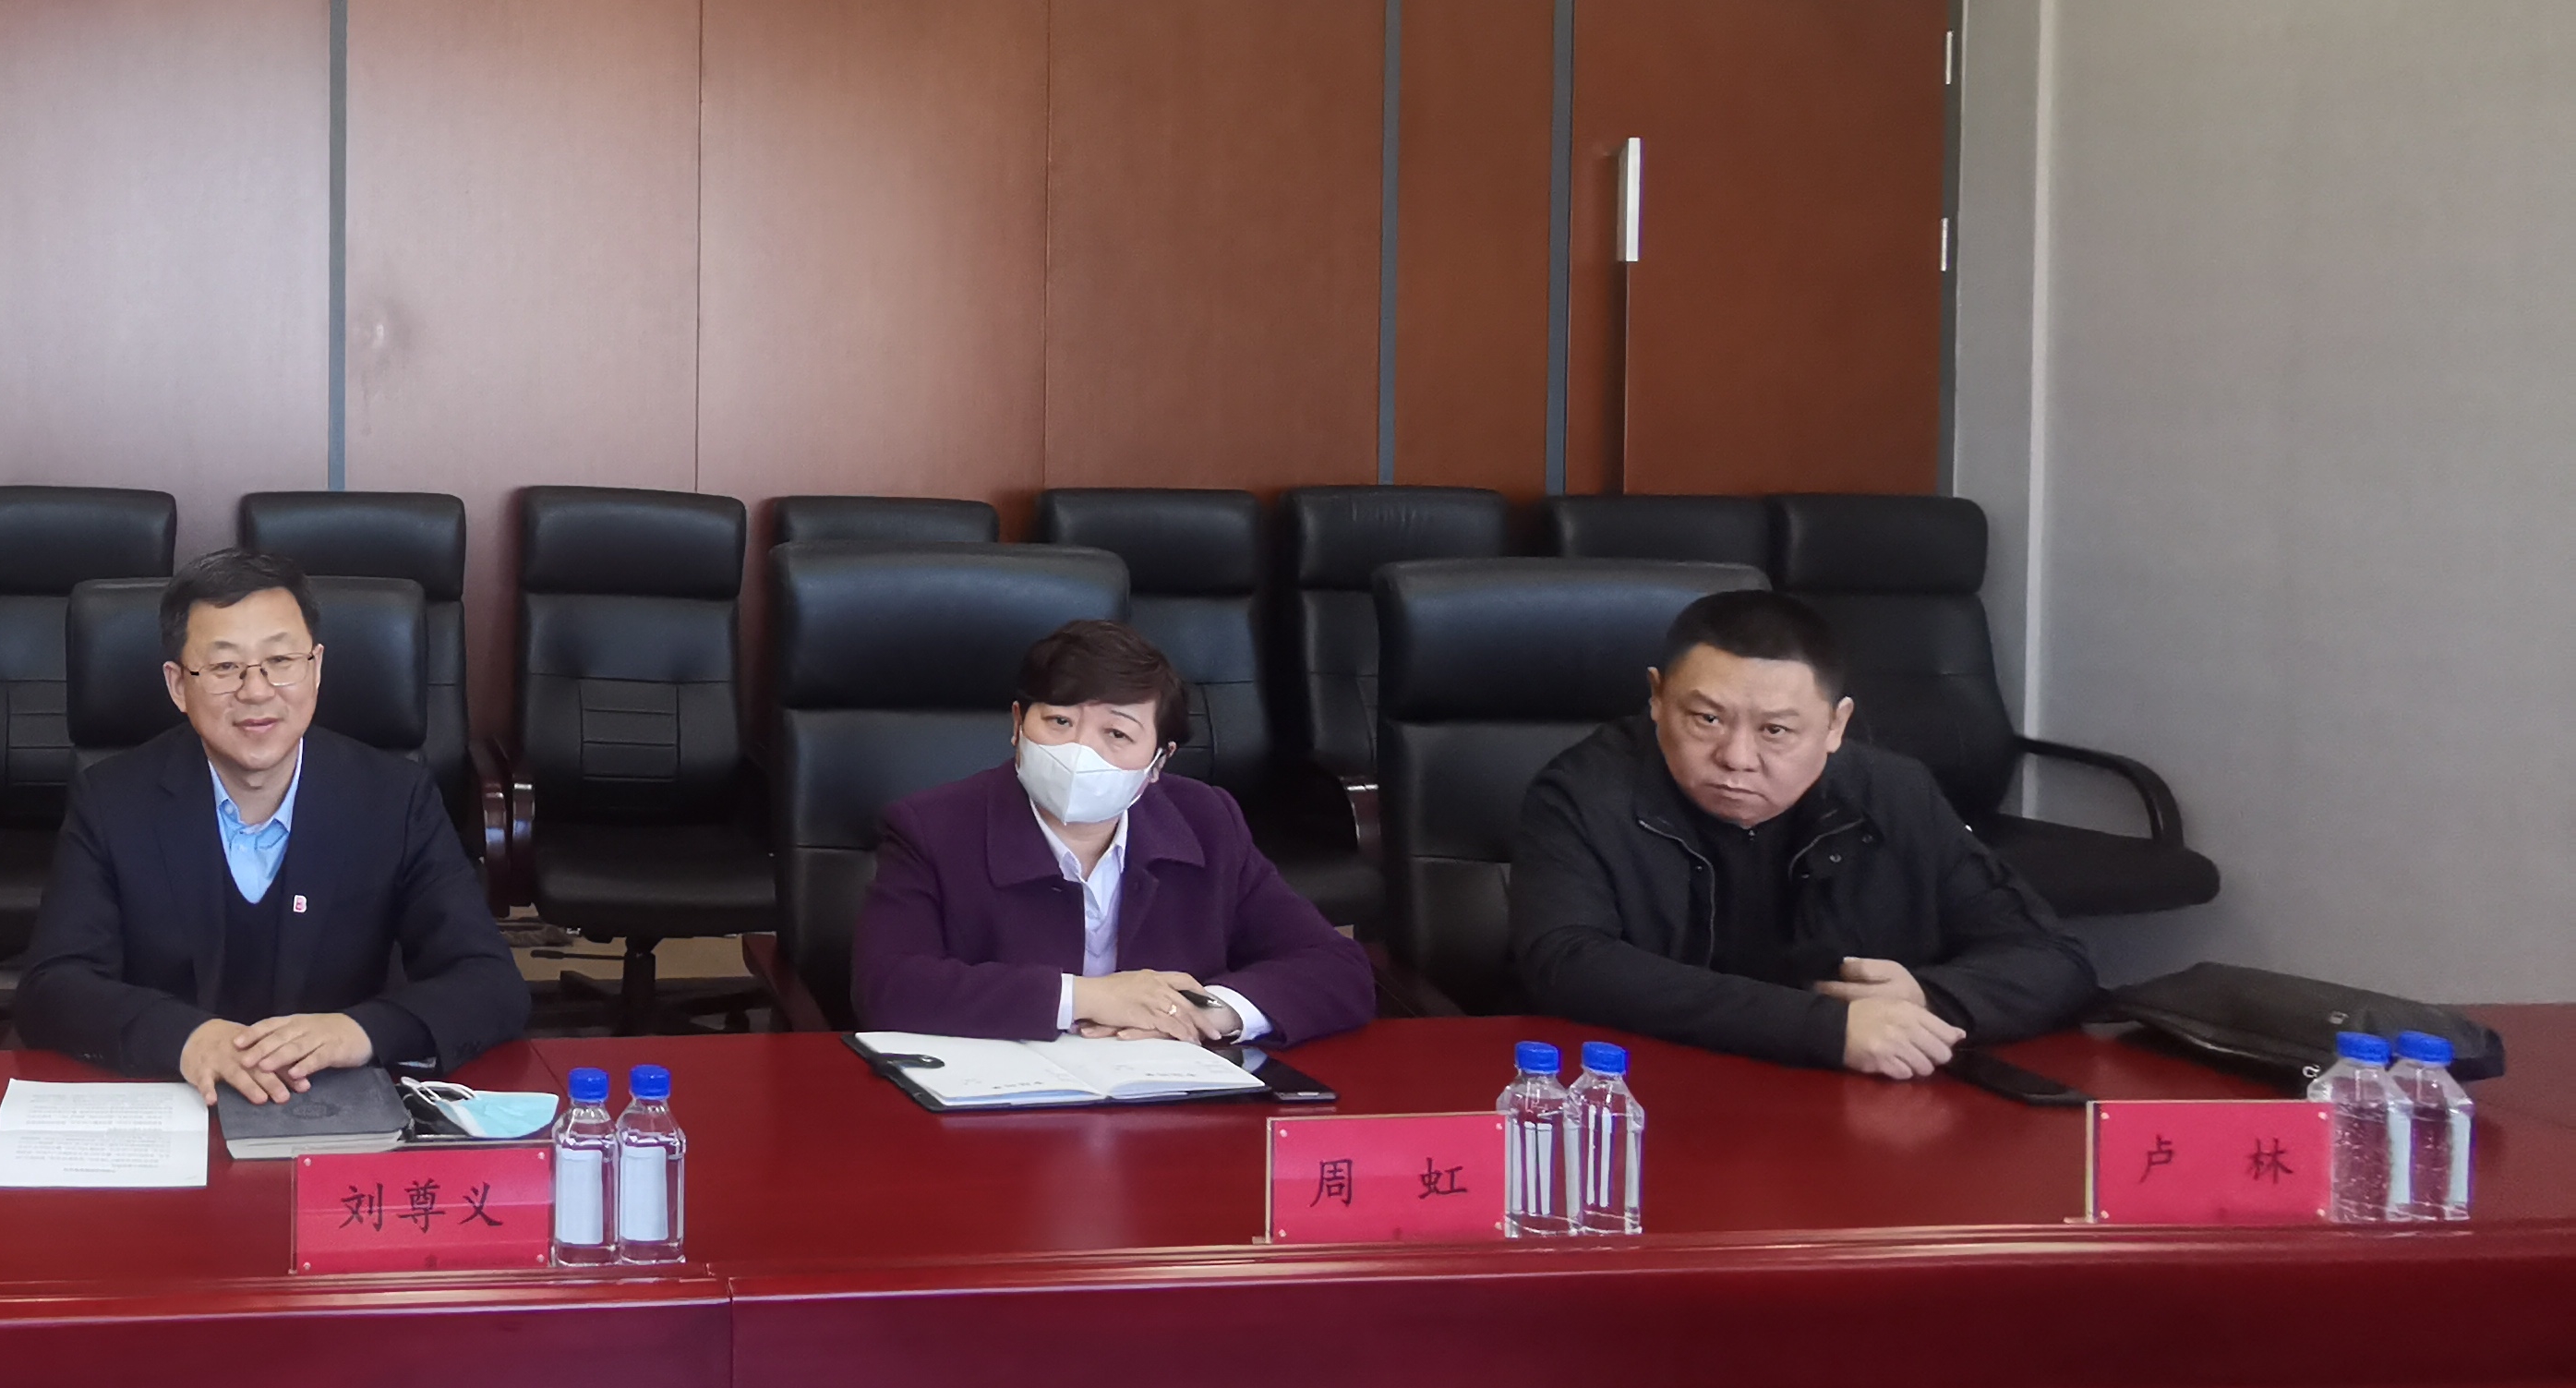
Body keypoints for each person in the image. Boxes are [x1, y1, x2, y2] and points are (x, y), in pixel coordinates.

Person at [1508, 585, 2094, 1075]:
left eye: (1776, 731)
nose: (1737, 758)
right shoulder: (1583, 792)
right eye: (1706, 719)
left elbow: (2052, 959)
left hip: (1852, 1114)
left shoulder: (1893, 794)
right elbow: (1567, 964)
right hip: (1655, 1095)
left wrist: (1926, 997)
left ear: (1836, 725)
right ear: (1658, 698)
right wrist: (1825, 1028)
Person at [16, 549, 529, 1098]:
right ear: (178, 685)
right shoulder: (112, 800)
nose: (256, 691)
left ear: (316, 667)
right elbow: (52, 987)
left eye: (281, 660)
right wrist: (186, 1038)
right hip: (172, 1095)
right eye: (224, 667)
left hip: (338, 1102)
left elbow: (491, 981)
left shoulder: (395, 799)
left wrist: (359, 1032)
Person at [848, 618, 1375, 1048]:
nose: (1080, 751)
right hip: (996, 1109)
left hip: (1165, 1104)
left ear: (1158, 761)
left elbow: (1336, 968)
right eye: (1059, 722)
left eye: (1117, 733)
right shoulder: (932, 827)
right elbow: (888, 988)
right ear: (1017, 724)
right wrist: (1088, 998)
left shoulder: (1207, 822)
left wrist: (1205, 1012)